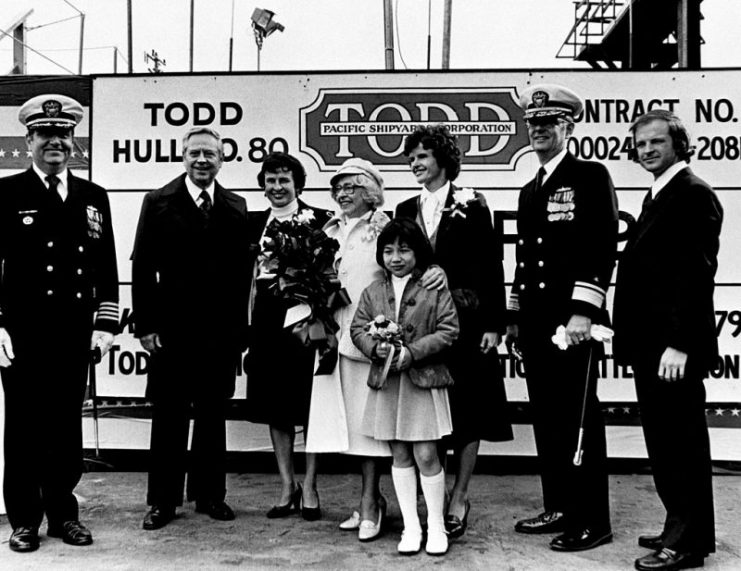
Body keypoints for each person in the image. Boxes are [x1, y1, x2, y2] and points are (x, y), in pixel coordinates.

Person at [0, 94, 119, 552]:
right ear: (28, 140)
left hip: (72, 334)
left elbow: (106, 268)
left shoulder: (93, 197)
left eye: (63, 135)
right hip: (23, 335)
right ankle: (24, 520)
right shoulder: (7, 193)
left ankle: (63, 516)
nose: (55, 142)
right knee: (24, 429)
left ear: (74, 142)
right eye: (45, 135)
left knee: (65, 429)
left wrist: (104, 325)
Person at [506, 84, 619, 552]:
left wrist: (583, 311)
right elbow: (524, 260)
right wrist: (513, 317)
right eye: (533, 124)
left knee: (578, 422)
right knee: (547, 418)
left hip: (571, 324)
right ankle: (558, 506)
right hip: (536, 324)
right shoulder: (531, 188)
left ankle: (593, 519)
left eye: (548, 123)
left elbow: (601, 247)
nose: (539, 130)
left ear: (568, 127)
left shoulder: (589, 175)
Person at [613, 110, 721, 571]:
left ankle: (689, 543)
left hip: (671, 349)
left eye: (656, 142)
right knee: (663, 441)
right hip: (650, 345)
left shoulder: (693, 194)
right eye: (640, 145)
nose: (647, 150)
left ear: (679, 143)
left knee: (682, 443)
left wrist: (680, 343)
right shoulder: (658, 194)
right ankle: (678, 523)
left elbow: (696, 275)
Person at [396, 124, 512, 539]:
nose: (415, 163)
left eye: (422, 156)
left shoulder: (472, 204)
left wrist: (495, 325)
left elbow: (490, 267)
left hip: (468, 323)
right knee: (430, 417)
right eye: (411, 158)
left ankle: (460, 496)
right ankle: (435, 495)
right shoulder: (405, 207)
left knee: (469, 413)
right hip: (423, 330)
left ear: (443, 160)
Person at [132, 126, 251, 530]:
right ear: (183, 157)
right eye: (195, 153)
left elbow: (241, 278)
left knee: (213, 414)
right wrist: (145, 325)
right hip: (172, 330)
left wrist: (239, 333)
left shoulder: (236, 206)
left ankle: (210, 495)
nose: (202, 160)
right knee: (169, 416)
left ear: (222, 160)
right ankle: (162, 501)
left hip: (219, 332)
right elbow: (143, 268)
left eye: (210, 154)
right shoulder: (158, 201)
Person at [350, 218, 459, 556]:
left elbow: (449, 329)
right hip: (388, 383)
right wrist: (375, 347)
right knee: (398, 453)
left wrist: (413, 352)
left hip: (422, 381)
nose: (396, 257)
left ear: (418, 252)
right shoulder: (373, 291)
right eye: (388, 250)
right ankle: (411, 527)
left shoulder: (433, 286)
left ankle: (436, 525)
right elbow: (358, 329)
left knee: (426, 454)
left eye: (404, 249)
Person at [304, 158, 392, 540]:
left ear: (370, 191)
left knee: (369, 427)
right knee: (344, 428)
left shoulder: (383, 228)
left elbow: (397, 281)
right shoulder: (327, 229)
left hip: (366, 339)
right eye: (337, 187)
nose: (342, 194)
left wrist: (383, 332)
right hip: (329, 340)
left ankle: (371, 501)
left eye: (351, 187)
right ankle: (368, 501)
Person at [244, 152, 331, 521]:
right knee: (276, 406)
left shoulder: (320, 220)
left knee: (310, 406)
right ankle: (286, 484)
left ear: (298, 184)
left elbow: (331, 275)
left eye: (284, 180)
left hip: (304, 323)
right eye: (271, 179)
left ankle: (310, 484)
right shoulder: (251, 223)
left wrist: (318, 321)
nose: (277, 187)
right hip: (265, 322)